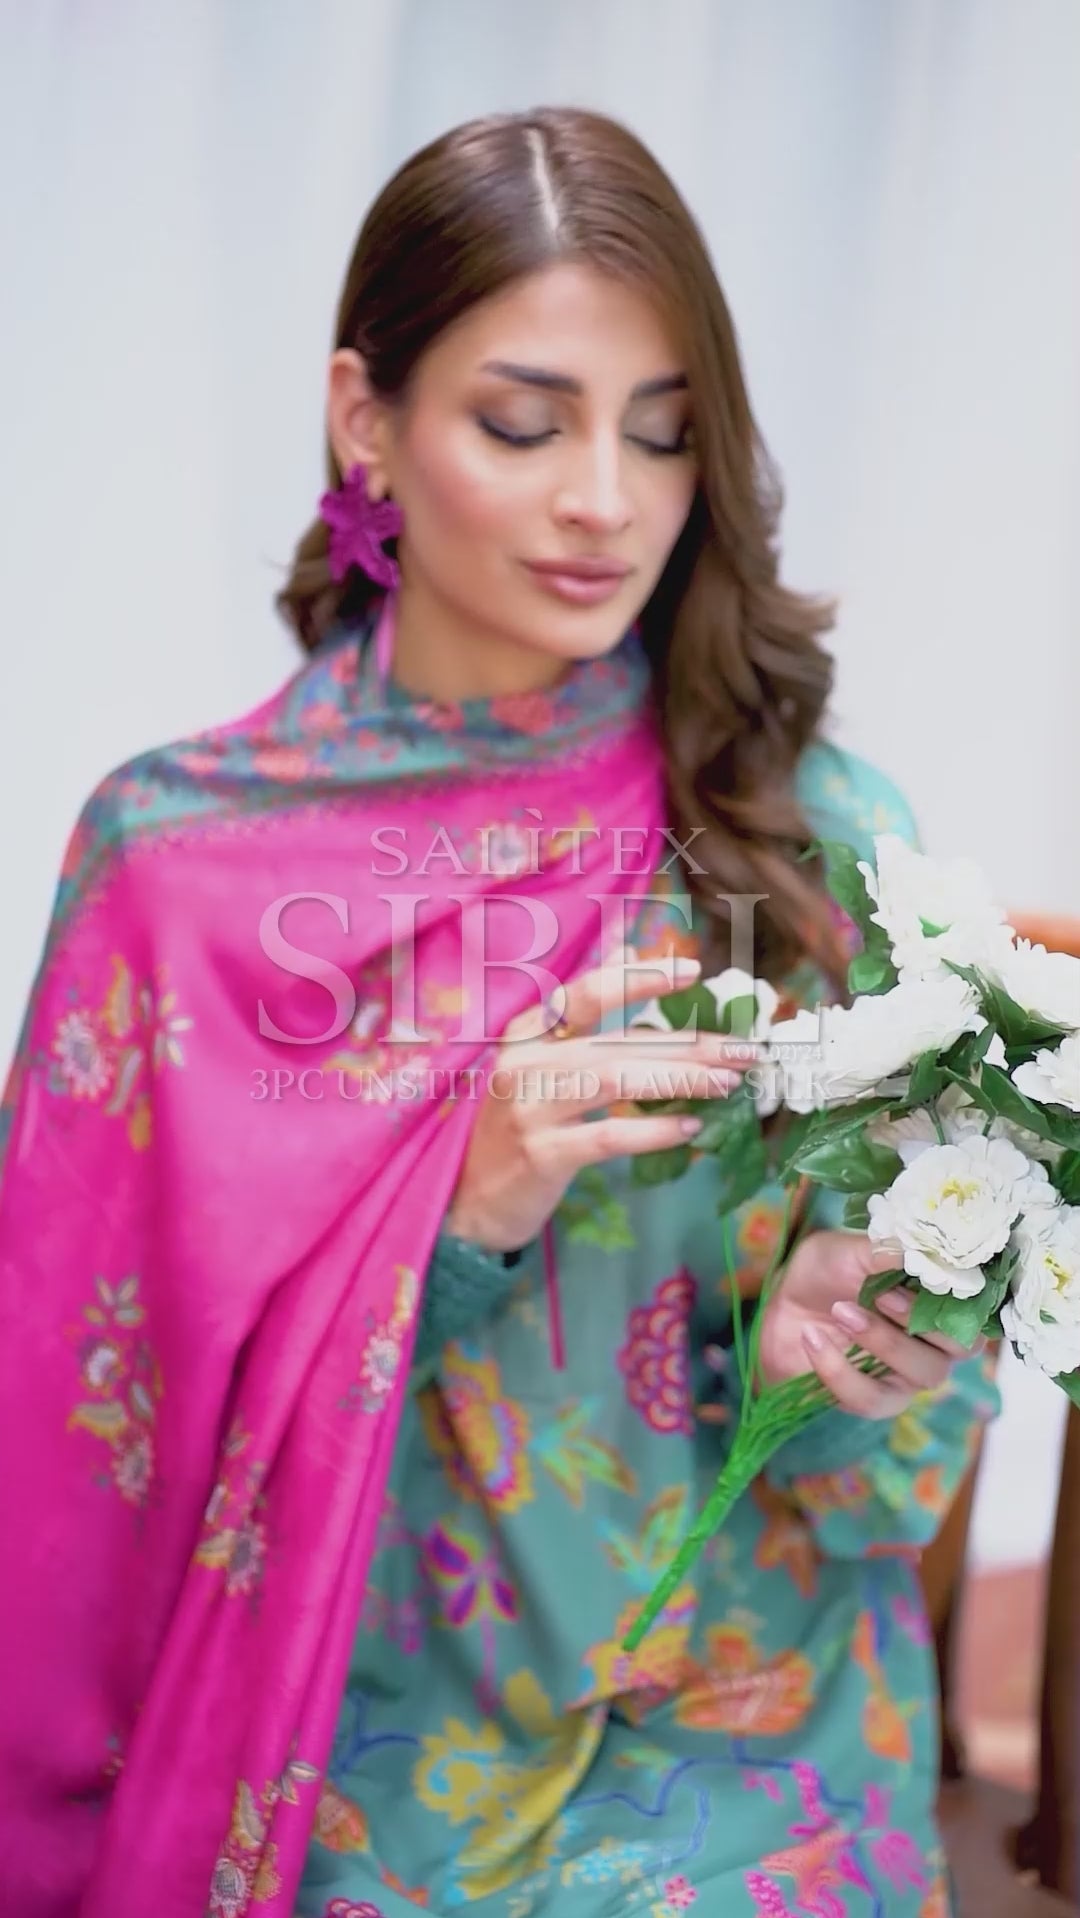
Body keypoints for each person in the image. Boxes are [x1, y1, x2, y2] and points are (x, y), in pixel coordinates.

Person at [0, 108, 994, 1918]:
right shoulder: (175, 873)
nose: (607, 498)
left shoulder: (808, 842)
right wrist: (454, 1218)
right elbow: (86, 1471)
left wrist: (831, 1369)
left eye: (663, 432)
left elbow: (878, 1493)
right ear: (366, 420)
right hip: (337, 1724)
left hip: (737, 1727)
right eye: (526, 423)